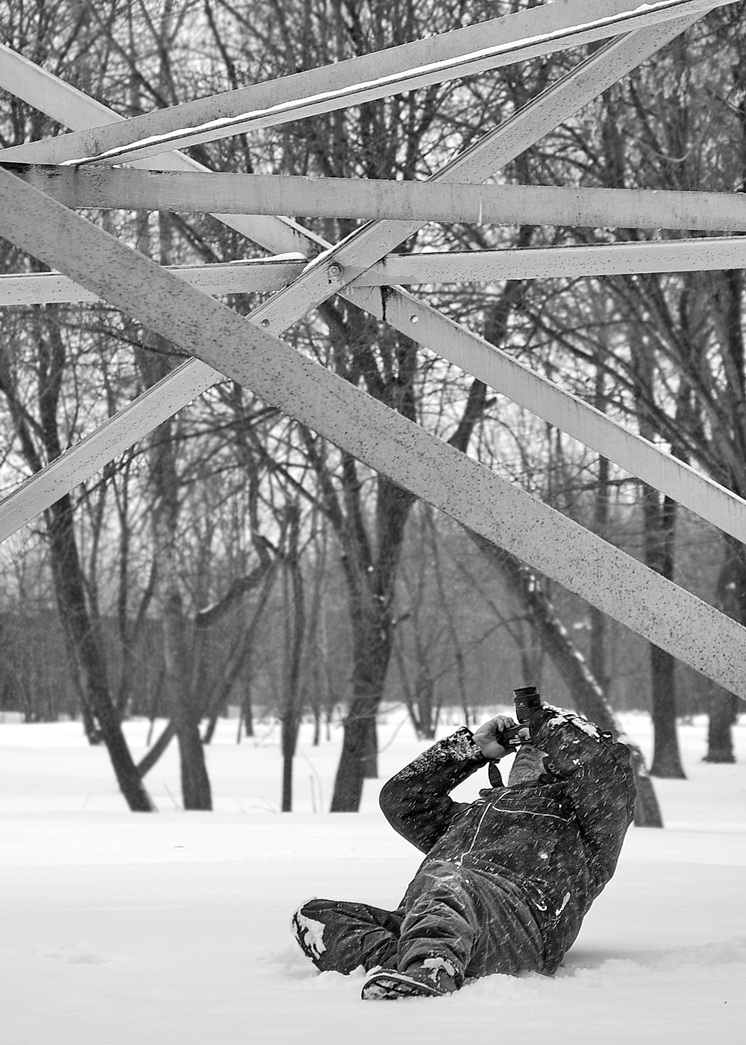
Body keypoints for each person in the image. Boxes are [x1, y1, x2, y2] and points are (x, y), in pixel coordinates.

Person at [292, 690, 636, 1000]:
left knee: (449, 881)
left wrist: (546, 723)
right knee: (315, 916)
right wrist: (473, 749)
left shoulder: (589, 819)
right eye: (523, 748)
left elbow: (601, 768)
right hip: (436, 914)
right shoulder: (469, 817)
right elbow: (401, 799)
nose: (527, 754)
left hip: (520, 925)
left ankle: (431, 968)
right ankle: (414, 961)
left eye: (541, 747)